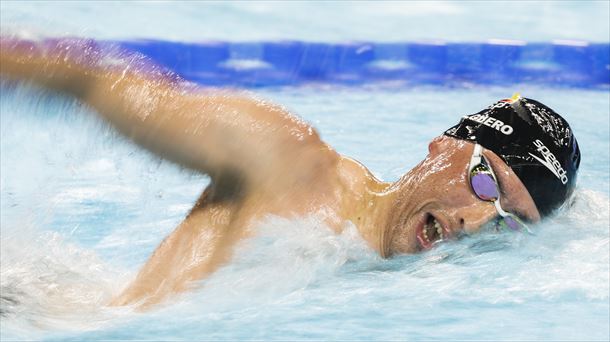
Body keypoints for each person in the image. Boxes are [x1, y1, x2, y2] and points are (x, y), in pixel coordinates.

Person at [0, 38, 581, 308]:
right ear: (446, 144)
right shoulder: (288, 162)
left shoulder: (424, 291)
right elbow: (96, 82)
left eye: (508, 222)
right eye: (486, 184)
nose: (477, 223)